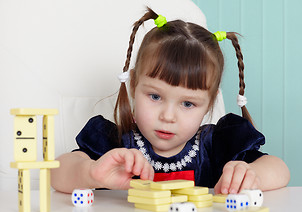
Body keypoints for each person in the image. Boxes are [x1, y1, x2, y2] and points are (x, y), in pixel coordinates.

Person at [51, 8, 290, 194]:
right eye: (155, 97)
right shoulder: (116, 146)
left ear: (210, 103)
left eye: (188, 104)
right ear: (134, 85)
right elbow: (57, 173)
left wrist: (250, 173)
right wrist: (90, 172)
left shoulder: (216, 146)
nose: (168, 116)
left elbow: (280, 169)